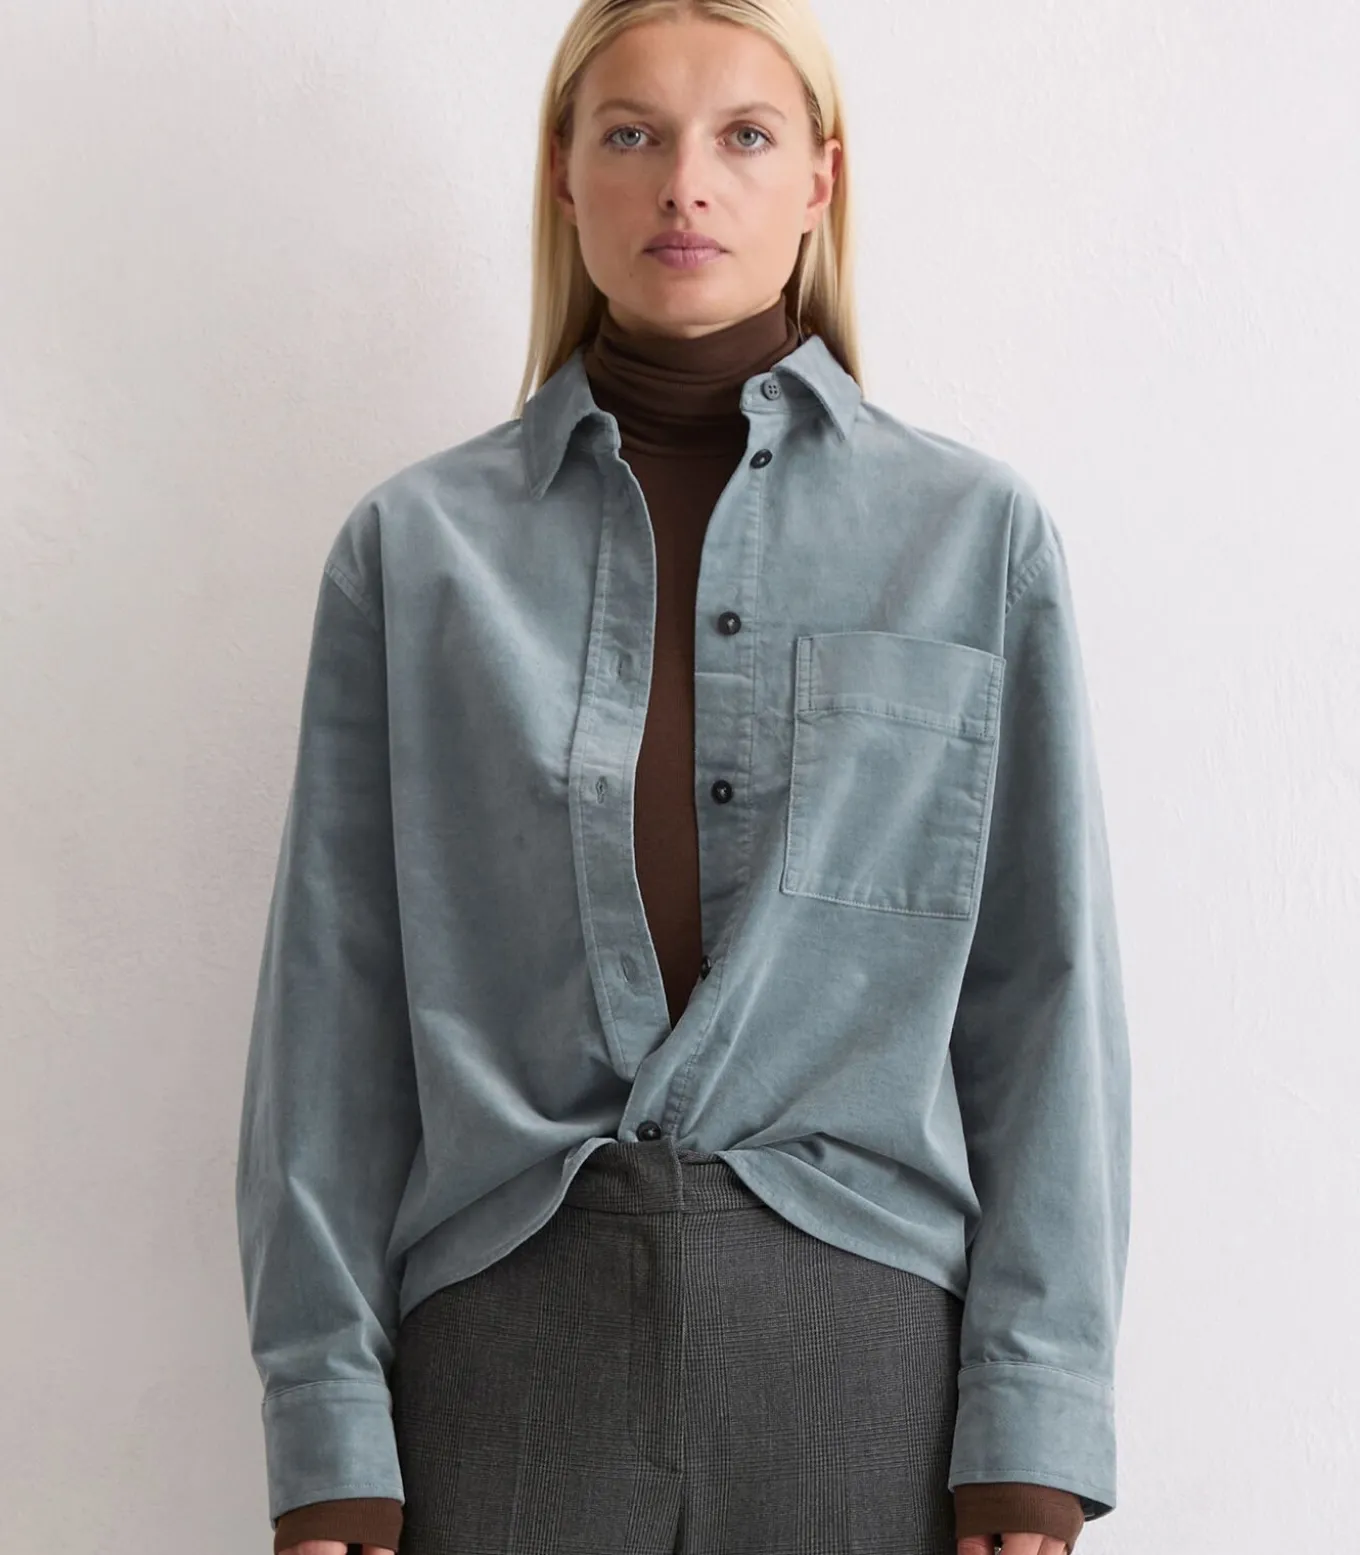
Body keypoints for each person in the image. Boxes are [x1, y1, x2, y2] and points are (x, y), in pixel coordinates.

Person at [234, 2, 1132, 1553]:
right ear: (564, 174)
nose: (685, 183)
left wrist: (1034, 1417)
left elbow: (1045, 1002)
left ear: (820, 179)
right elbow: (335, 1006)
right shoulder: (416, 552)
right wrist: (328, 1427)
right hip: (507, 1355)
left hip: (863, 1360)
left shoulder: (974, 538)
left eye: (745, 135)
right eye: (632, 133)